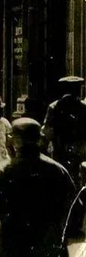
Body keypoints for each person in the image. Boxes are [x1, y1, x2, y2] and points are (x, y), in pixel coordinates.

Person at [0, 117, 77, 257]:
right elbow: (74, 208)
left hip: (13, 245)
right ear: (39, 139)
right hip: (50, 245)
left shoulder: (3, 171)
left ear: (15, 140)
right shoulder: (58, 170)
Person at [43, 75, 86, 237]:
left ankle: (63, 223)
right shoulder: (84, 107)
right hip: (81, 153)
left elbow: (47, 131)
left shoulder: (54, 107)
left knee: (60, 187)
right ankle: (76, 224)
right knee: (79, 187)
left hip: (60, 153)